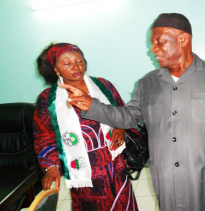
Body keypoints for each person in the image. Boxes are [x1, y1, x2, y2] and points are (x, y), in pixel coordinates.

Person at [60, 13, 205, 211]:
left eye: (159, 41)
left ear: (182, 39)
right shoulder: (147, 83)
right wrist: (91, 105)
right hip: (168, 178)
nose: (153, 49)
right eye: (152, 43)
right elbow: (128, 117)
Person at [33, 43, 138, 211]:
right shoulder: (48, 99)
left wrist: (120, 127)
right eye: (67, 63)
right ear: (56, 69)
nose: (76, 66)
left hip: (114, 161)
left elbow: (122, 111)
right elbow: (44, 135)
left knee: (123, 202)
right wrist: (50, 167)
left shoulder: (103, 85)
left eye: (79, 61)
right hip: (81, 167)